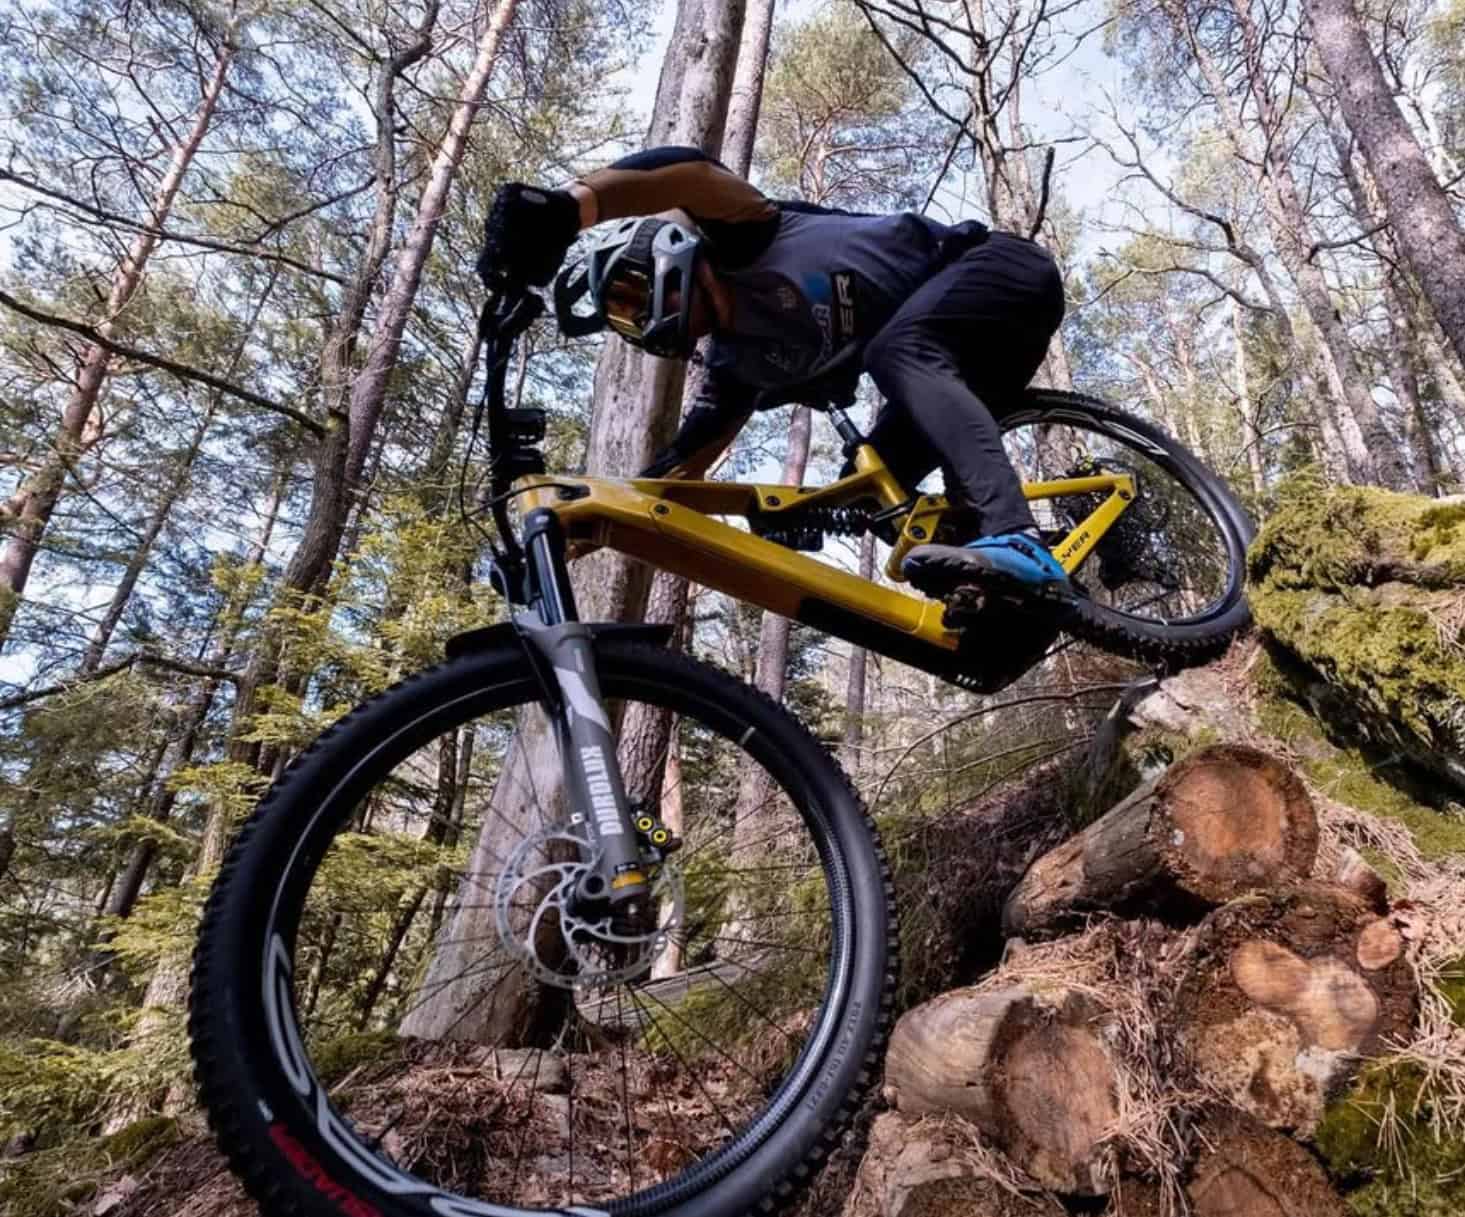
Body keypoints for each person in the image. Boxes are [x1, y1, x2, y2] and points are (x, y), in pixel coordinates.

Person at [481, 146, 1070, 597]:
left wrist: (569, 208)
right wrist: (565, 538)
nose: (638, 320)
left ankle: (1013, 533)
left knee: (894, 352)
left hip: (1000, 271)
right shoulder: (737, 367)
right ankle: (1012, 586)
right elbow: (671, 478)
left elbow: (689, 173)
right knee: (874, 495)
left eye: (632, 296)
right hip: (957, 362)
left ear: (663, 255)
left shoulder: (744, 237)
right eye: (623, 319)